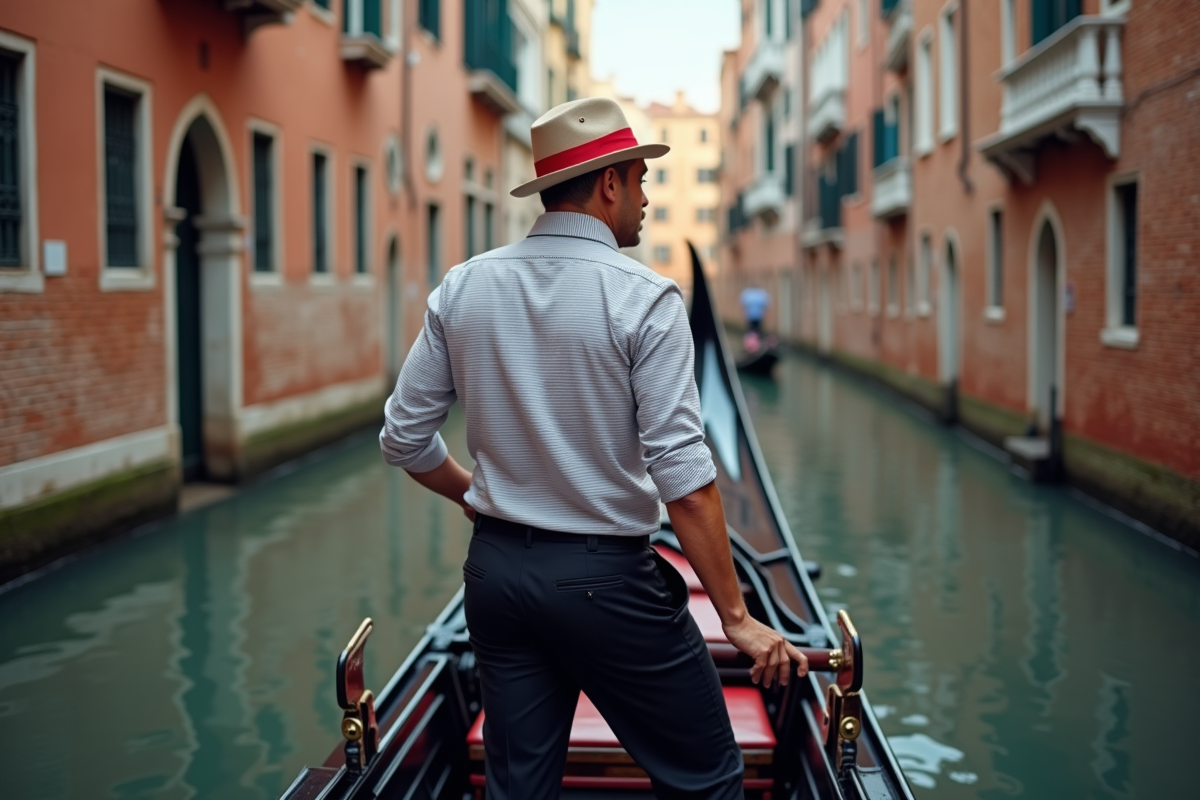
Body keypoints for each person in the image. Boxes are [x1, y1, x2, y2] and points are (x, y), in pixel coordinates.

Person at [380, 97, 806, 800]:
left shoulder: (463, 286)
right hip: (605, 584)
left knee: (518, 789)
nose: (644, 199)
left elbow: (403, 438)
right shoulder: (647, 298)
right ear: (609, 183)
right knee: (706, 778)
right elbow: (687, 481)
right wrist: (736, 618)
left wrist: (475, 495)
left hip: (494, 578)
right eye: (641, 181)